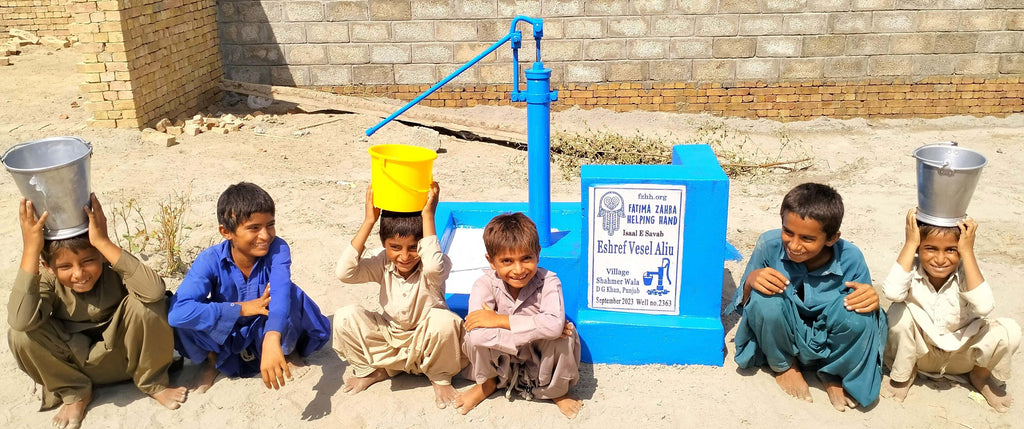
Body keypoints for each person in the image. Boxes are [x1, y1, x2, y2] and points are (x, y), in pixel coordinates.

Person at [8, 194, 187, 429]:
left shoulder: (112, 264)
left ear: (101, 256)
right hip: (76, 365)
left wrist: (103, 243)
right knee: (20, 333)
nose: (79, 274)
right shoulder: (49, 280)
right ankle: (76, 394)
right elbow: (20, 321)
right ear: (48, 267)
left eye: (88, 261)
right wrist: (31, 249)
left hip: (128, 359)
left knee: (150, 305)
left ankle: (152, 383)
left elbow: (154, 292)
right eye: (64, 266)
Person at [723, 183, 887, 411]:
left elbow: (865, 320)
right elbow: (744, 304)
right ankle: (784, 365)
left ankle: (832, 372)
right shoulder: (769, 245)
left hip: (829, 336)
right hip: (780, 334)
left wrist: (871, 300)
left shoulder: (851, 258)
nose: (794, 245)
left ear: (831, 238)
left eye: (808, 239)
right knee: (764, 300)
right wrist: (751, 281)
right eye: (788, 232)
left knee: (859, 315)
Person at [168, 182, 331, 392]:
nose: (265, 235)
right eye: (254, 228)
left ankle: (287, 351)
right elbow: (177, 314)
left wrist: (272, 337)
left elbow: (281, 295)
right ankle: (212, 361)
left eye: (270, 225)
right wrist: (241, 308)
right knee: (182, 313)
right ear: (226, 232)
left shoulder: (278, 249)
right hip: (227, 330)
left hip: (267, 325)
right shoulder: (209, 259)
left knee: (289, 293)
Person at [332, 182, 465, 409]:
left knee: (446, 322)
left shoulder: (436, 263)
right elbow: (344, 273)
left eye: (413, 247)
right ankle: (375, 371)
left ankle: (439, 376)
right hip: (391, 336)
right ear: (384, 244)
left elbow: (433, 265)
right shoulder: (382, 260)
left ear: (423, 245)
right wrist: (369, 221)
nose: (404, 256)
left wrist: (429, 216)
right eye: (395, 247)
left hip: (427, 341)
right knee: (346, 317)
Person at [881, 208, 1020, 412]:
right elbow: (892, 293)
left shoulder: (966, 272)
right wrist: (910, 242)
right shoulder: (911, 268)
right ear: (919, 248)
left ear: (962, 250)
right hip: (921, 356)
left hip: (962, 359)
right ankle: (904, 375)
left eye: (951, 250)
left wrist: (968, 252)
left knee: (1010, 329)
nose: (940, 259)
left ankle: (980, 376)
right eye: (930, 248)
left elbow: (984, 306)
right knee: (897, 313)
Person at [456, 212, 583, 419]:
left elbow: (553, 327)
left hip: (539, 353)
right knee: (473, 337)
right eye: (507, 261)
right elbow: (478, 333)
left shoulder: (549, 281)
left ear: (538, 254)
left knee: (565, 337)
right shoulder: (484, 284)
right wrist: (540, 328)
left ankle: (556, 392)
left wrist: (500, 320)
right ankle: (487, 384)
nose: (518, 269)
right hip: (502, 356)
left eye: (526, 258)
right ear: (491, 261)